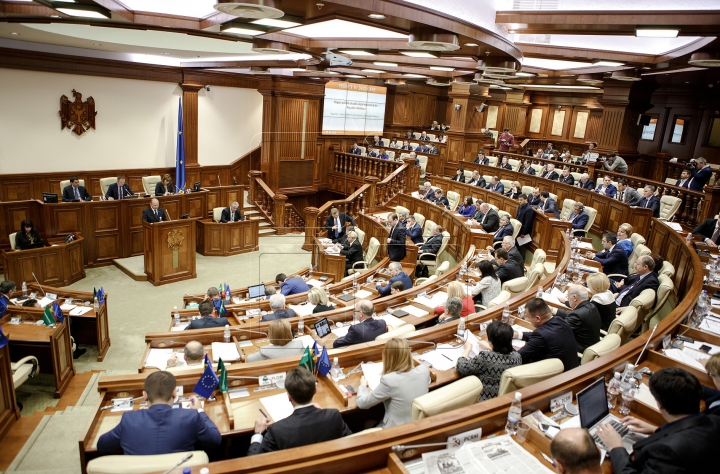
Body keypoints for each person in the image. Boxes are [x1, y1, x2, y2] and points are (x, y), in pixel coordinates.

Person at [596, 367, 720, 474]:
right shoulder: (715, 420)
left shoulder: (668, 452)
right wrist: (656, 429)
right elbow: (691, 437)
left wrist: (615, 446)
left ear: (660, 406)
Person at [97, 371, 221, 455]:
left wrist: (137, 416)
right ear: (174, 393)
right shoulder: (191, 417)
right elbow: (215, 440)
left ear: (144, 396)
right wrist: (199, 410)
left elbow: (102, 446)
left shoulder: (129, 419)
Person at [249, 367, 352, 454]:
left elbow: (254, 463)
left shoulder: (277, 430)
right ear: (315, 391)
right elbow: (353, 441)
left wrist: (258, 434)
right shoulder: (333, 416)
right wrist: (323, 413)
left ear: (289, 397)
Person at [357, 338, 431, 428]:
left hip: (396, 431)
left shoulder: (389, 381)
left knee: (367, 423)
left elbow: (362, 403)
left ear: (388, 359)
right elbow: (428, 381)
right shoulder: (424, 370)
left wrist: (363, 386)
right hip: (419, 424)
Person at [456, 321, 521, 400]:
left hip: (485, 401)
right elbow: (503, 354)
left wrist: (467, 349)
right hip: (506, 399)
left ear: (491, 341)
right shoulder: (517, 357)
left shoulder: (486, 357)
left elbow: (461, 368)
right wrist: (490, 347)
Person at [514, 298, 579, 371]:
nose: (527, 320)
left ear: (538, 318)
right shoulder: (560, 320)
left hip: (557, 377)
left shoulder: (540, 336)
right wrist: (518, 335)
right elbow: (545, 335)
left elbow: (518, 357)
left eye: (528, 317)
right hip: (573, 370)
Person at [552, 285, 601, 353]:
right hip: (591, 345)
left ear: (575, 298)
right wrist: (553, 310)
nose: (567, 299)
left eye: (568, 297)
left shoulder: (577, 315)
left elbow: (557, 331)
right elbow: (575, 315)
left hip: (578, 351)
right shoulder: (592, 306)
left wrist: (547, 318)